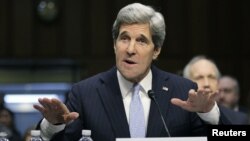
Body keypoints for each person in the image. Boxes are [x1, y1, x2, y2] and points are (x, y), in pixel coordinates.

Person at [33, 3, 232, 141]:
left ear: (156, 50)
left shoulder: (183, 90)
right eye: (124, 38)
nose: (130, 49)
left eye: (141, 40)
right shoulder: (84, 93)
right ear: (114, 44)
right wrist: (52, 126)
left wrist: (210, 115)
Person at [183, 55, 248, 124]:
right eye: (199, 77)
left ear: (218, 82)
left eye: (211, 77)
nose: (207, 84)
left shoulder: (239, 120)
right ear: (187, 82)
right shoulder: (175, 118)